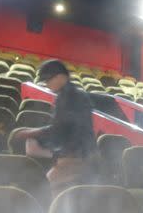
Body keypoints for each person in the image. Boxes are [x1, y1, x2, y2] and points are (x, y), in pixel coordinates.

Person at [12, 59, 97, 196]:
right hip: (81, 153)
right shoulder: (74, 95)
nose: (46, 84)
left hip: (75, 156)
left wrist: (32, 133)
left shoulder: (68, 98)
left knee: (50, 191)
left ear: (60, 77)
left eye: (48, 80)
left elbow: (61, 129)